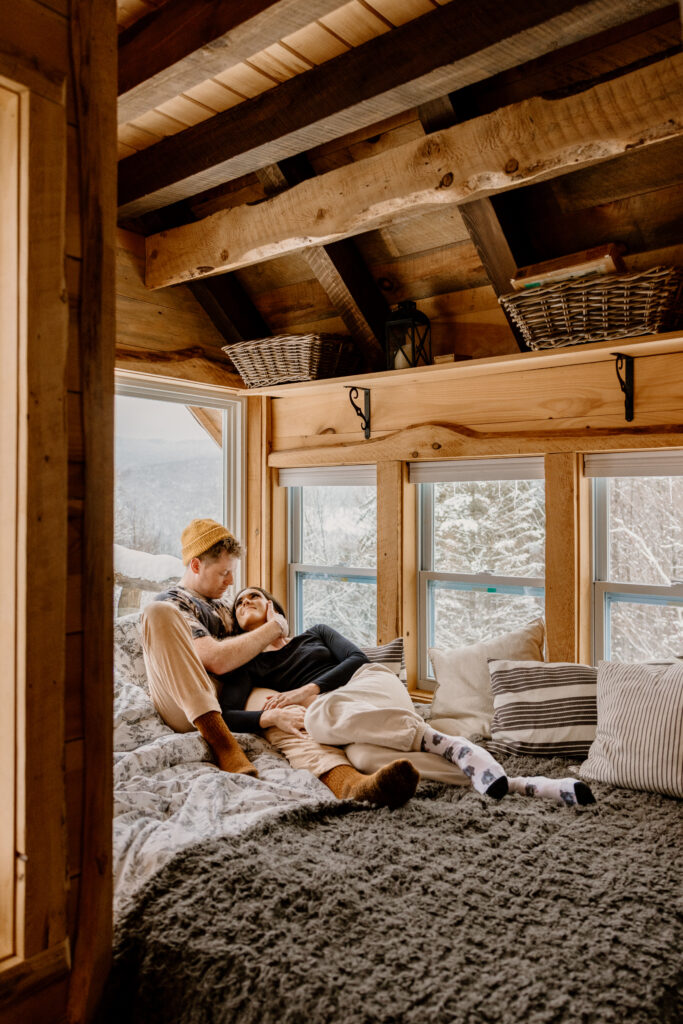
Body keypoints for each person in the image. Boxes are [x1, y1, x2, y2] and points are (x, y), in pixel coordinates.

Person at [227, 585, 597, 810]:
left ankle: (438, 741)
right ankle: (518, 783)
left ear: (275, 608)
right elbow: (224, 714)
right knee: (366, 758)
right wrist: (269, 718)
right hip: (352, 723)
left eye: (253, 596)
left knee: (315, 714)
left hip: (371, 685)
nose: (245, 602)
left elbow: (358, 659)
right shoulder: (248, 667)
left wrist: (307, 691)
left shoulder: (315, 632)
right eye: (238, 604)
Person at [141, 518, 420, 808]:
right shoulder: (177, 600)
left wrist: (279, 703)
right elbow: (217, 660)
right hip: (183, 701)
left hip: (228, 694)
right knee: (156, 612)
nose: (231, 583)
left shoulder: (226, 607)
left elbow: (260, 656)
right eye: (224, 573)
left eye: (233, 575)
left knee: (285, 713)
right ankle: (222, 742)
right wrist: (275, 627)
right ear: (196, 566)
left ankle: (349, 782)